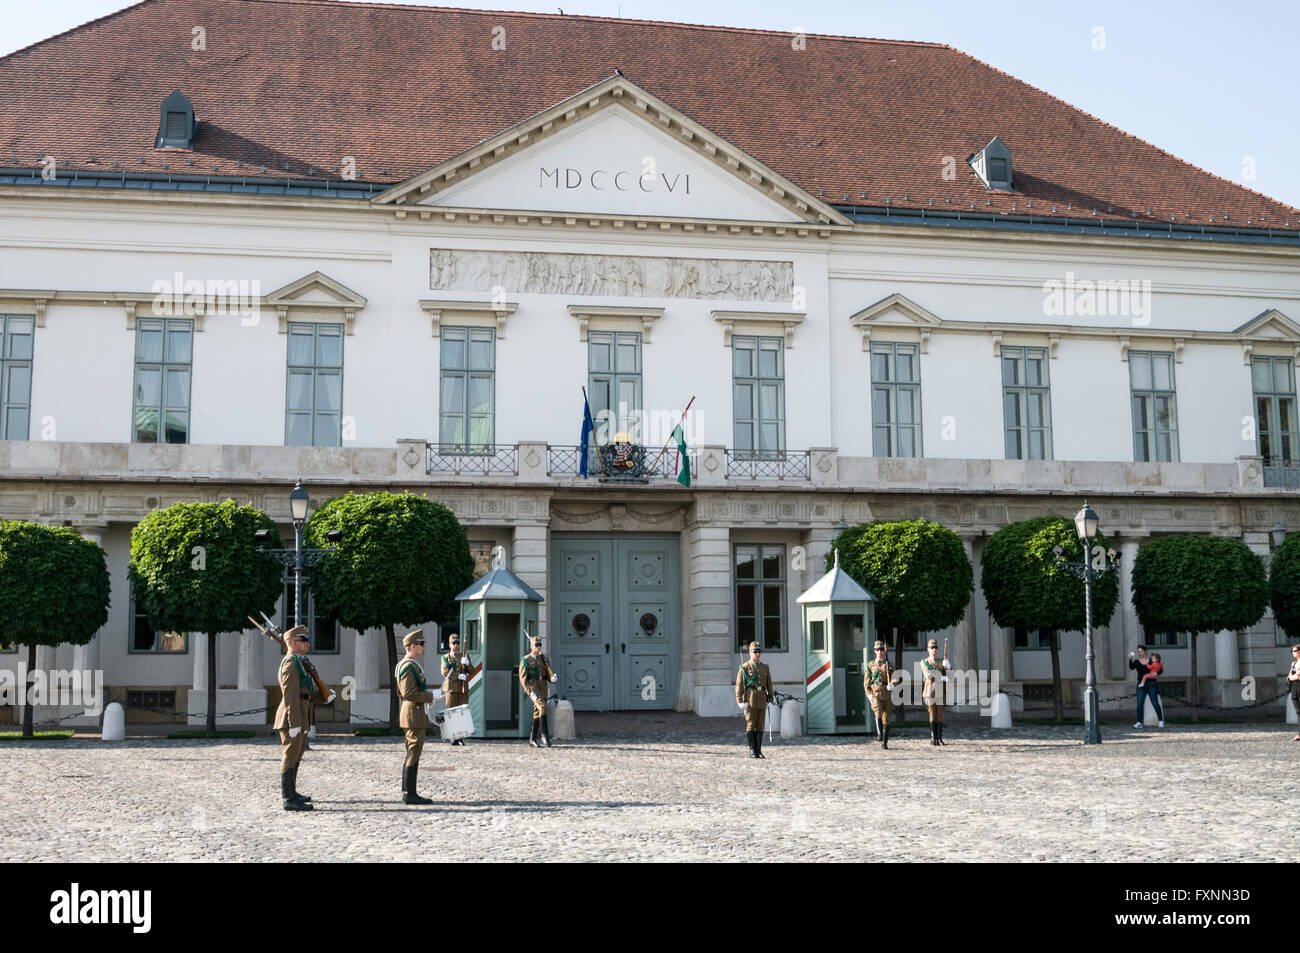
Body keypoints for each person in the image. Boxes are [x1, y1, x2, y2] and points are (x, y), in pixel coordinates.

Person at [273, 624, 313, 811]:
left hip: (301, 714)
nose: (308, 643)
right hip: (292, 717)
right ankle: (288, 798)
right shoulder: (290, 663)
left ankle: (293, 792)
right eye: (304, 640)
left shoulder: (300, 662)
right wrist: (294, 722)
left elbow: (305, 691)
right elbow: (290, 695)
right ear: (292, 643)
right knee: (290, 756)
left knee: (297, 754)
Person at [396, 629, 437, 805]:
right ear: (412, 646)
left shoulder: (410, 664)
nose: (423, 646)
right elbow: (408, 693)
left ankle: (409, 792)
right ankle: (409, 793)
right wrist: (431, 696)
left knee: (414, 751)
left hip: (415, 711)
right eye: (420, 644)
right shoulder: (408, 666)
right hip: (412, 712)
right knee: (413, 751)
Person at [735, 641, 774, 759]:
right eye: (755, 651)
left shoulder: (765, 667)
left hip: (762, 698)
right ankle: (752, 749)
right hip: (750, 698)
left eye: (759, 651)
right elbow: (739, 685)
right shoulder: (745, 667)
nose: (757, 654)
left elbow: (769, 684)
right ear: (750, 652)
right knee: (751, 724)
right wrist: (740, 701)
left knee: (760, 725)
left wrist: (770, 699)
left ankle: (759, 750)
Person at [519, 635, 557, 748]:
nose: (538, 647)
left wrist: (552, 679)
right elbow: (523, 678)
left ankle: (533, 739)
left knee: (538, 711)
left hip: (543, 687)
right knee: (542, 706)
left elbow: (547, 674)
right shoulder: (526, 660)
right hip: (533, 688)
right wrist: (529, 692)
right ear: (531, 646)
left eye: (540, 645)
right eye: (536, 645)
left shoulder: (543, 659)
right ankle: (545, 735)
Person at [440, 632, 472, 745]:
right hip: (451, 688)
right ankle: (451, 737)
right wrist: (457, 676)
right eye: (453, 643)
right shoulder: (445, 658)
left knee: (461, 713)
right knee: (451, 712)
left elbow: (472, 671)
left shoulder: (464, 656)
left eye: (457, 643)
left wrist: (467, 663)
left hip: (463, 689)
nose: (456, 645)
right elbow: (444, 671)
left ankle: (460, 738)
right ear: (449, 644)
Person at [864, 640, 895, 749]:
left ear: (884, 650)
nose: (880, 651)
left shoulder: (889, 664)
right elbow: (866, 682)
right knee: (877, 712)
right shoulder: (871, 665)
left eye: (882, 649)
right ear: (874, 651)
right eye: (878, 649)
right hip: (876, 692)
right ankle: (880, 734)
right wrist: (869, 694)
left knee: (886, 719)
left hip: (887, 693)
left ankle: (885, 743)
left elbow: (894, 677)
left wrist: (892, 684)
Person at [920, 638, 950, 746]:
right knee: (932, 716)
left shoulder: (942, 661)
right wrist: (941, 675)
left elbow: (950, 674)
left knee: (940, 716)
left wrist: (948, 666)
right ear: (928, 649)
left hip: (941, 692)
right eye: (932, 647)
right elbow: (928, 675)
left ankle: (940, 738)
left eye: (936, 647)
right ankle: (933, 739)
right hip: (930, 693)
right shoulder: (924, 662)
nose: (934, 649)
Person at [1129, 645, 1165, 728]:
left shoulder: (1151, 661)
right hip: (1141, 684)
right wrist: (1130, 659)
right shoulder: (1137, 662)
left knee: (1154, 702)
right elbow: (1131, 667)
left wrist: (1157, 674)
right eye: (1138, 651)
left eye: (1141, 651)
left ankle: (1160, 721)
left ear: (1145, 651)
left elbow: (1160, 669)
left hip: (1152, 683)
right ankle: (1139, 722)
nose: (1139, 653)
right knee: (1139, 703)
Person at [1288, 645, 1300, 742]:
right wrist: (1291, 676)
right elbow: (1290, 676)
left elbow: (1298, 676)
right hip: (1294, 688)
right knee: (1298, 712)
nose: (1293, 652)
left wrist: (1290, 678)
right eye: (1292, 651)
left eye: (1295, 650)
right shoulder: (1294, 663)